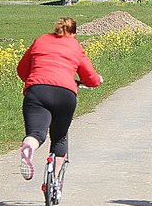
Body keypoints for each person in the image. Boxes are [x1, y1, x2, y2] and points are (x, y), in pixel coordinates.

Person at [17, 17, 102, 180]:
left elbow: (22, 69)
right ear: (74, 33)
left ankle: (28, 148)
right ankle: (54, 182)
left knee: (36, 134)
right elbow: (90, 77)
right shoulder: (75, 46)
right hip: (65, 94)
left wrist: (35, 81)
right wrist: (98, 80)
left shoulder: (40, 40)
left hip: (37, 92)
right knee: (59, 137)